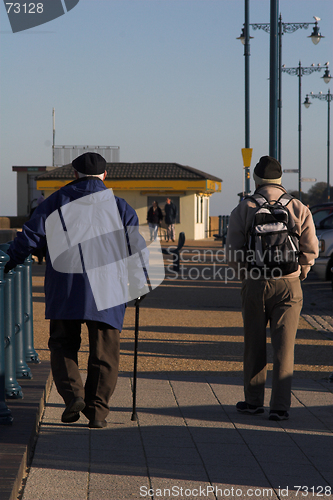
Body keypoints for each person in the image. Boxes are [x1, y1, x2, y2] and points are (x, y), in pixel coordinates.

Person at [4, 152, 147, 429]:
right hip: (109, 288)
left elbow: (30, 237)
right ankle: (97, 413)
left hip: (65, 285)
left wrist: (10, 261)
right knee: (106, 351)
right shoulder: (121, 207)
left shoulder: (55, 201)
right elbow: (136, 249)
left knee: (62, 343)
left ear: (74, 174)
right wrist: (139, 284)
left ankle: (73, 396)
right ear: (105, 176)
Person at [225, 155, 318, 421]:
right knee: (284, 347)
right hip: (289, 284)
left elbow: (233, 252)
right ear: (280, 180)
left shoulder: (244, 208)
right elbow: (311, 249)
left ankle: (253, 401)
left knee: (254, 343)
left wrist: (247, 275)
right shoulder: (299, 207)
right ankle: (280, 406)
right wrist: (301, 271)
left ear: (256, 179)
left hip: (256, 282)